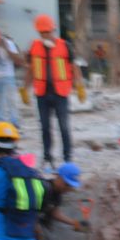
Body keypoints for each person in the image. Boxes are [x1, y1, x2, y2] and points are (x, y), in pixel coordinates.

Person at [27, 14, 84, 170]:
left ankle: (67, 158)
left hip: (61, 94)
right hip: (42, 93)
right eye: (42, 32)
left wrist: (79, 86)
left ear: (53, 30)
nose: (45, 35)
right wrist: (24, 88)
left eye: (47, 31)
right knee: (45, 127)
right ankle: (47, 157)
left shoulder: (65, 46)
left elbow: (74, 67)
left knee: (64, 127)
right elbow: (30, 69)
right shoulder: (34, 47)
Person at [35, 163, 83, 240]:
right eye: (66, 184)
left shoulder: (57, 194)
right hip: (28, 224)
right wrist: (39, 234)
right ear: (57, 177)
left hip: (39, 225)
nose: (67, 189)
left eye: (70, 186)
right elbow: (30, 213)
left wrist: (74, 223)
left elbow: (54, 212)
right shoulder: (43, 188)